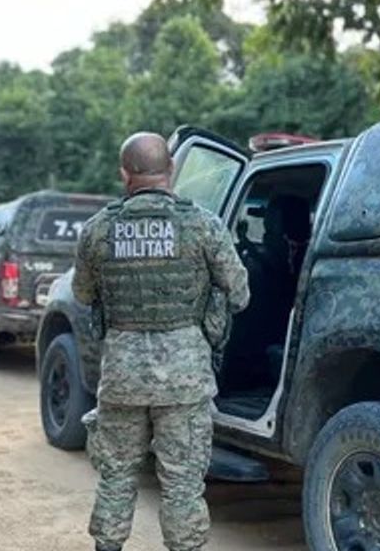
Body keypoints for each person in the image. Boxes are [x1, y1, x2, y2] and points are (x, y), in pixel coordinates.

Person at [74, 132, 250, 551]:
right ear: (171, 170)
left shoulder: (98, 230)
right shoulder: (203, 225)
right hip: (184, 378)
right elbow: (241, 294)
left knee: (116, 476)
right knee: (182, 484)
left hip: (121, 375)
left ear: (124, 174)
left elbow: (82, 295)